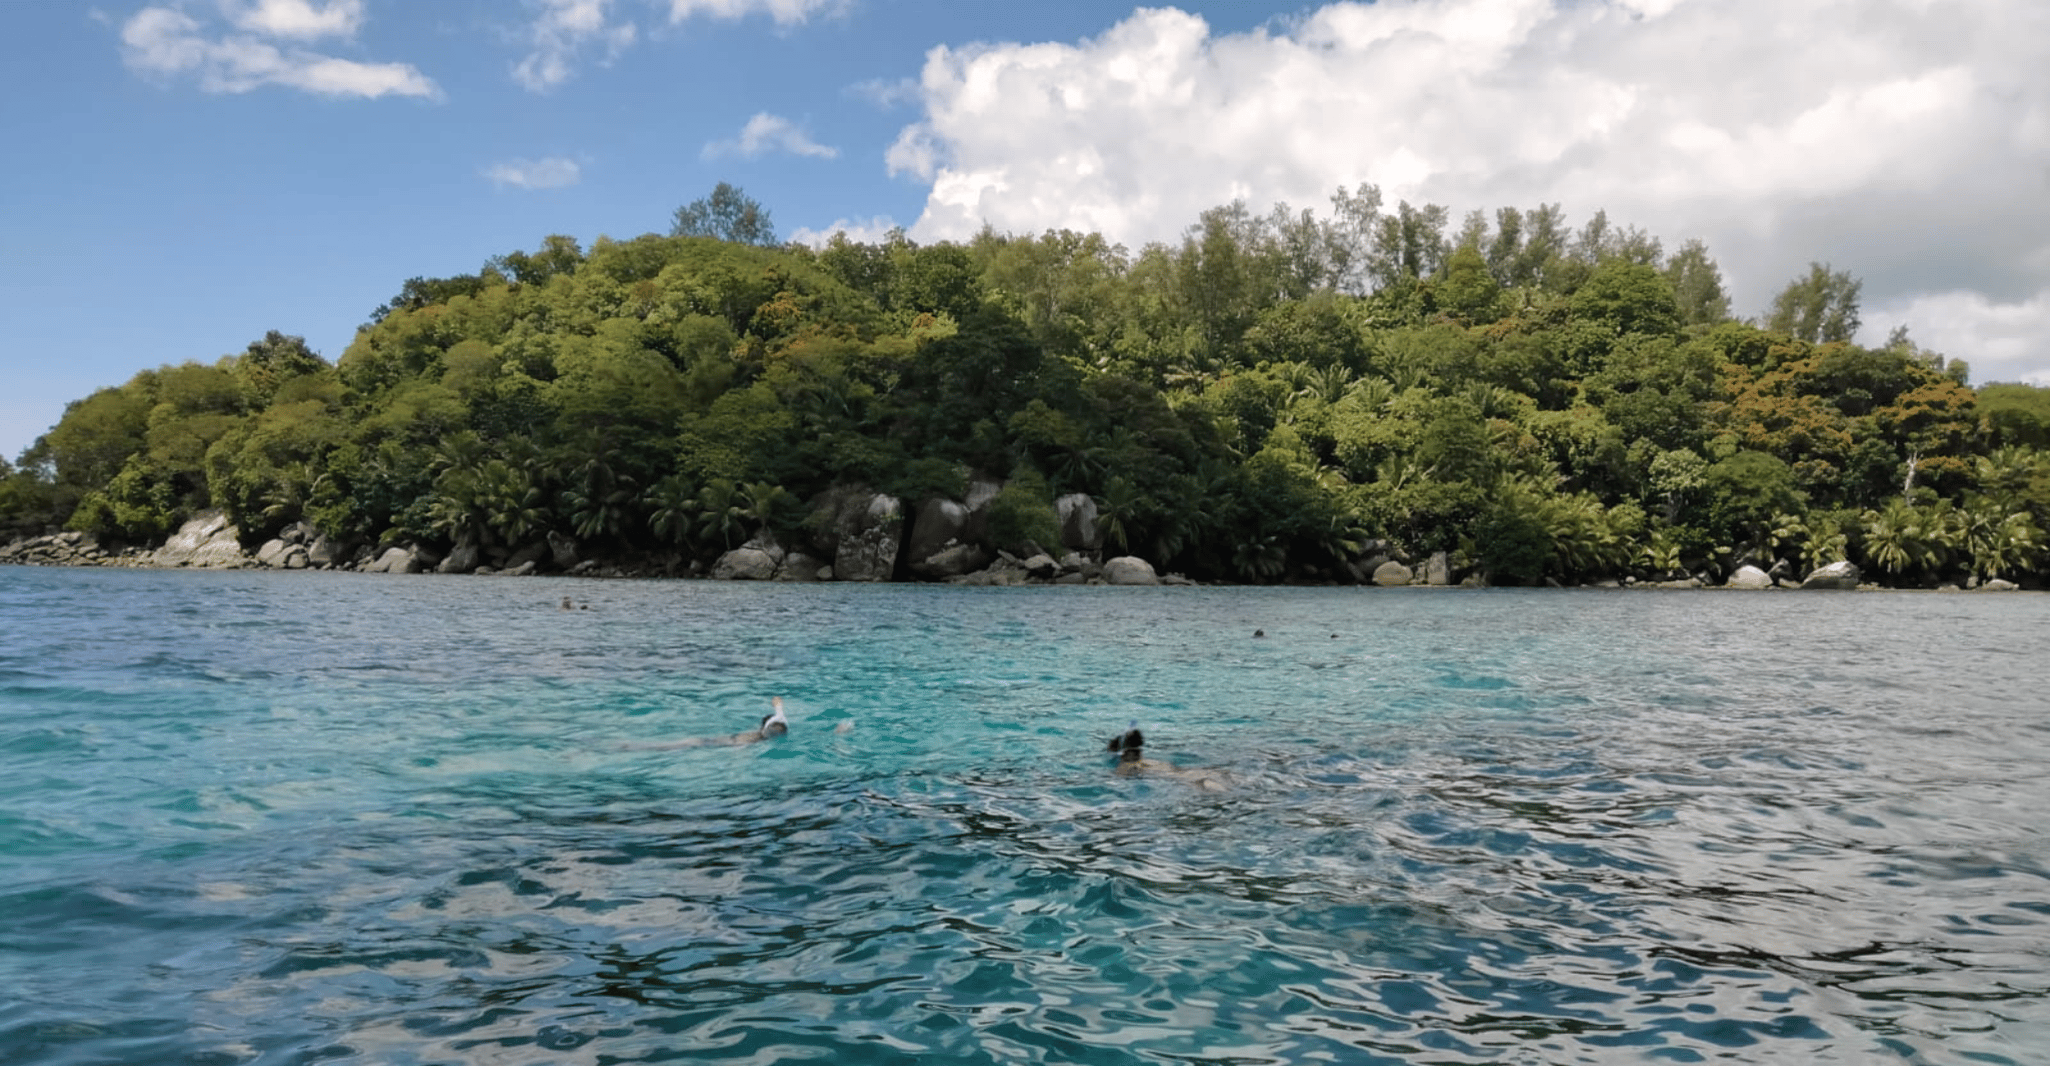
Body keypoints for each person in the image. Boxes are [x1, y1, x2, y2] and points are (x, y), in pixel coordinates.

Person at [631, 697, 789, 750]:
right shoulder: (759, 737)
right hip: (711, 743)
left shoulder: (757, 734)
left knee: (661, 747)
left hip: (712, 741)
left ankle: (633, 746)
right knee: (662, 747)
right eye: (776, 729)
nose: (778, 731)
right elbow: (742, 748)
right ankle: (632, 746)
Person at [1107, 723, 1227, 790]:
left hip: (1193, 782)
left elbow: (1116, 783)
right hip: (1201, 773)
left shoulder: (1125, 766)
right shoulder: (1152, 761)